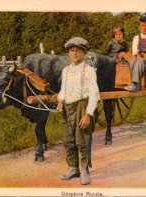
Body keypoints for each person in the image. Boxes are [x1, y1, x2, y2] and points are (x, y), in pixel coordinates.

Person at [57, 37, 100, 185]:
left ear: (84, 53)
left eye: (78, 51)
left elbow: (94, 93)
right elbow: (63, 89)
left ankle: (84, 170)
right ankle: (73, 167)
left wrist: (88, 114)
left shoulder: (88, 70)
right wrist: (60, 100)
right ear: (69, 53)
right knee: (68, 139)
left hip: (82, 107)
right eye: (72, 51)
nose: (75, 54)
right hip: (68, 109)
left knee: (82, 140)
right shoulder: (66, 71)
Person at [103, 25, 129, 145]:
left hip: (122, 61)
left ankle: (123, 79)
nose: (119, 36)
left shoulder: (124, 43)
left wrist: (124, 54)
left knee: (124, 63)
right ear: (114, 35)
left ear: (123, 35)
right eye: (117, 34)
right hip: (112, 60)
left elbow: (127, 52)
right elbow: (106, 52)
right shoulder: (111, 43)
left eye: (120, 34)